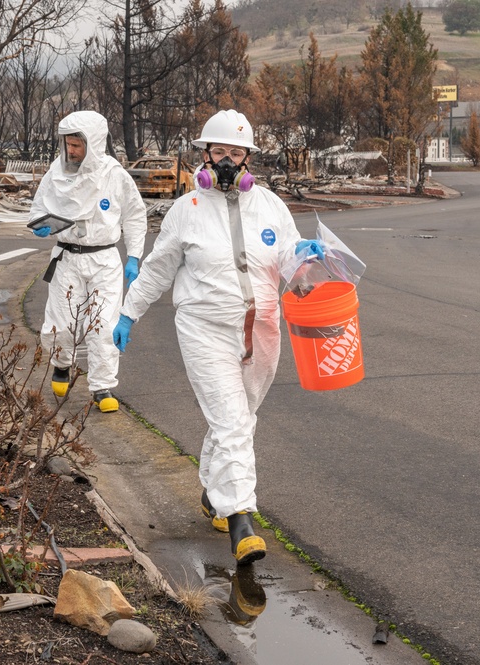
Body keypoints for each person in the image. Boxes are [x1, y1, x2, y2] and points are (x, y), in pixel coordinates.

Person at [112, 109, 323, 564]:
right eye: (219, 151)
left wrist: (306, 264)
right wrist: (128, 313)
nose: (227, 160)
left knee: (240, 415)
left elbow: (291, 265)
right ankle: (241, 521)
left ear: (249, 159)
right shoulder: (186, 211)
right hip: (204, 328)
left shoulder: (270, 207)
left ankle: (214, 493)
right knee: (231, 421)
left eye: (236, 152)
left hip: (262, 328)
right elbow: (158, 269)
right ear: (203, 155)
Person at [30, 110, 146, 413]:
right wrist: (40, 225)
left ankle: (102, 386)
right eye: (67, 144)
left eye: (77, 145)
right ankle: (61, 364)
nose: (70, 151)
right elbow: (38, 208)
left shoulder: (114, 175)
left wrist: (134, 255)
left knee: (103, 326)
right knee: (61, 323)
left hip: (104, 259)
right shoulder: (56, 173)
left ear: (92, 143)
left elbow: (134, 215)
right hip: (67, 257)